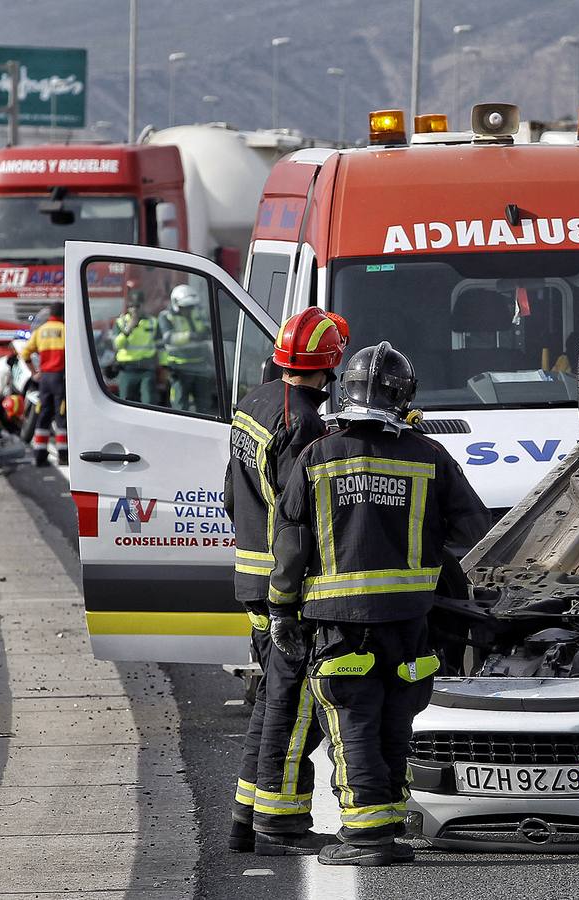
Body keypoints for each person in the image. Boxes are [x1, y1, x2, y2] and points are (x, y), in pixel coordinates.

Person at [269, 341, 488, 867]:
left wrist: (281, 609)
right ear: (403, 396)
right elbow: (474, 531)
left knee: (352, 723)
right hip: (411, 622)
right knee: (395, 720)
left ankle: (367, 838)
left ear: (346, 392)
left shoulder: (317, 455)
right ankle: (386, 828)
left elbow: (291, 542)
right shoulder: (428, 455)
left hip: (340, 623)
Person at [225, 308, 347, 857]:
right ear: (330, 366)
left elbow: (232, 495)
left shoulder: (251, 404)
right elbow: (302, 515)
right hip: (285, 585)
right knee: (296, 706)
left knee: (273, 702)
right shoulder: (304, 424)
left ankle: (245, 820)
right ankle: (282, 827)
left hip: (251, 577)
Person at [21, 302, 68, 467]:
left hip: (45, 379)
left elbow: (25, 353)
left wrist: (34, 373)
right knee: (61, 417)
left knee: (43, 416)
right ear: (63, 314)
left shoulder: (41, 331)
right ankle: (63, 455)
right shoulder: (65, 330)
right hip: (60, 378)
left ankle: (40, 455)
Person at [158, 284, 215, 412]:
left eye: (190, 306)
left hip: (200, 365)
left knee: (204, 404)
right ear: (175, 303)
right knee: (180, 406)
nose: (188, 309)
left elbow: (208, 329)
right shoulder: (166, 316)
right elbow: (168, 338)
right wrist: (191, 335)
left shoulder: (198, 312)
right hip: (179, 368)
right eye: (185, 307)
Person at [111, 289, 160, 405]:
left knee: (149, 403)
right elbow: (117, 345)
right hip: (127, 370)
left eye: (137, 306)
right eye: (131, 306)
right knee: (126, 403)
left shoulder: (152, 322)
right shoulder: (121, 322)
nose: (135, 309)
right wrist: (128, 329)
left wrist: (162, 366)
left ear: (143, 305)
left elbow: (160, 345)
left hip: (147, 369)